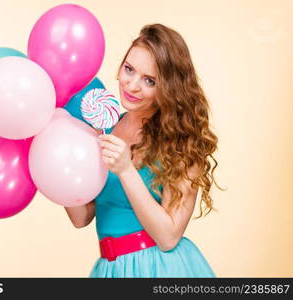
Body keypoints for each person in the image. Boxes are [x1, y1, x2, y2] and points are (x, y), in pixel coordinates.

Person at [64, 23, 222, 278]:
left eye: (149, 80)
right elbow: (81, 217)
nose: (132, 85)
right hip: (110, 268)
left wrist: (126, 170)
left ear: (169, 88)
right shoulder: (105, 128)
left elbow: (168, 237)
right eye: (129, 69)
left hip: (159, 269)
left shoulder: (182, 143)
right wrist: (57, 166)